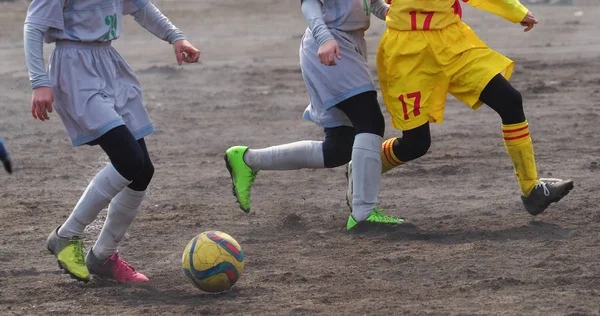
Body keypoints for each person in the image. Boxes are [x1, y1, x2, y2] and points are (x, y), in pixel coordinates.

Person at [24, 0, 200, 283]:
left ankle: (104, 255)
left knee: (142, 170)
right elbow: (33, 27)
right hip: (74, 68)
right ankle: (66, 236)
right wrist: (38, 82)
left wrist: (176, 37)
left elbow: (141, 7)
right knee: (129, 160)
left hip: (109, 64)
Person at [348, 0, 573, 216]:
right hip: (407, 52)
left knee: (510, 100)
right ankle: (361, 167)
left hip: (452, 42)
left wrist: (516, 11)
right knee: (416, 143)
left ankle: (531, 188)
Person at [224, 0, 404, 232]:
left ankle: (247, 160)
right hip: (330, 44)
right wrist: (324, 38)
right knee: (369, 120)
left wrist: (393, 14)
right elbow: (309, 3)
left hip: (347, 45)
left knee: (340, 148)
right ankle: (364, 213)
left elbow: (370, 4)